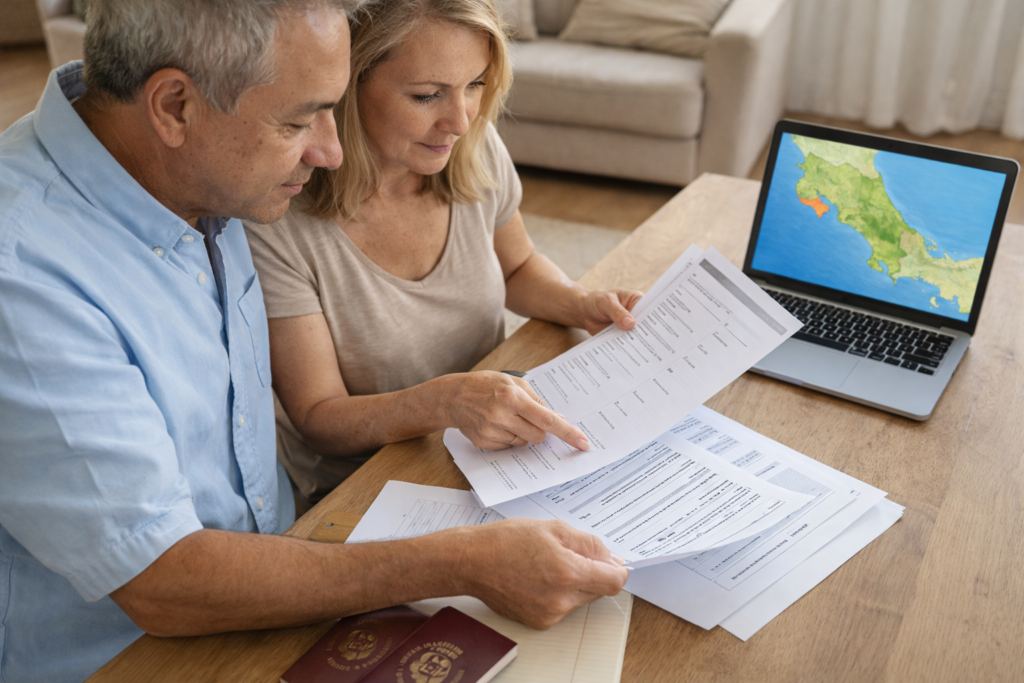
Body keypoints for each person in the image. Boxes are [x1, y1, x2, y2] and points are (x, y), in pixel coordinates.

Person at [0, 1, 627, 681]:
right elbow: (164, 581)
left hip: (292, 573)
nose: (330, 151)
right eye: (299, 121)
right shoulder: (25, 278)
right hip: (131, 657)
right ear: (175, 107)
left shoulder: (198, 177)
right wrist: (461, 561)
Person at [244, 0, 645, 506]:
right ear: (347, 83)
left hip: (492, 452)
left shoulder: (472, 151)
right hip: (369, 485)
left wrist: (579, 302)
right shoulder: (278, 219)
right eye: (427, 95)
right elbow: (319, 418)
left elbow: (518, 267)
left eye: (475, 84)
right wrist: (445, 403)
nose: (459, 121)